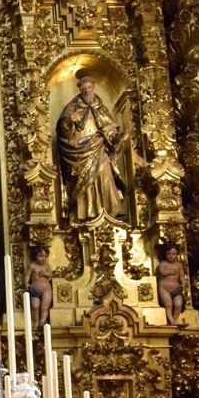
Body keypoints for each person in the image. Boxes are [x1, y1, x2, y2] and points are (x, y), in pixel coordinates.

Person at [57, 75, 126, 221]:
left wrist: (116, 137)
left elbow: (109, 129)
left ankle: (113, 210)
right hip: (79, 150)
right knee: (85, 182)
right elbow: (62, 130)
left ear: (93, 88)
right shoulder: (72, 106)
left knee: (106, 174)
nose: (87, 91)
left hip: (98, 146)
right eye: (83, 89)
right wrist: (70, 119)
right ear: (80, 90)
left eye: (89, 88)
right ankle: (84, 214)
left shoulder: (101, 108)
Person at [157, 244, 185, 326]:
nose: (171, 256)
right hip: (164, 288)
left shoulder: (179, 265)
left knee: (178, 304)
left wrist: (183, 283)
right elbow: (162, 272)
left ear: (177, 255)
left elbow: (182, 275)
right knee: (168, 304)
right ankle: (171, 320)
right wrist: (169, 272)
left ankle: (175, 318)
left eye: (173, 254)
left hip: (176, 288)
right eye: (168, 254)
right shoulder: (163, 263)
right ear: (165, 254)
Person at [25, 245, 53, 328]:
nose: (43, 258)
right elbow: (27, 275)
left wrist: (45, 274)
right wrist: (26, 283)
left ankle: (42, 322)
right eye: (40, 256)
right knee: (35, 306)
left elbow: (51, 275)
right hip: (35, 290)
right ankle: (35, 322)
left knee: (45, 307)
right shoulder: (32, 266)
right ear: (35, 256)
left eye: (45, 256)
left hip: (46, 291)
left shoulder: (47, 266)